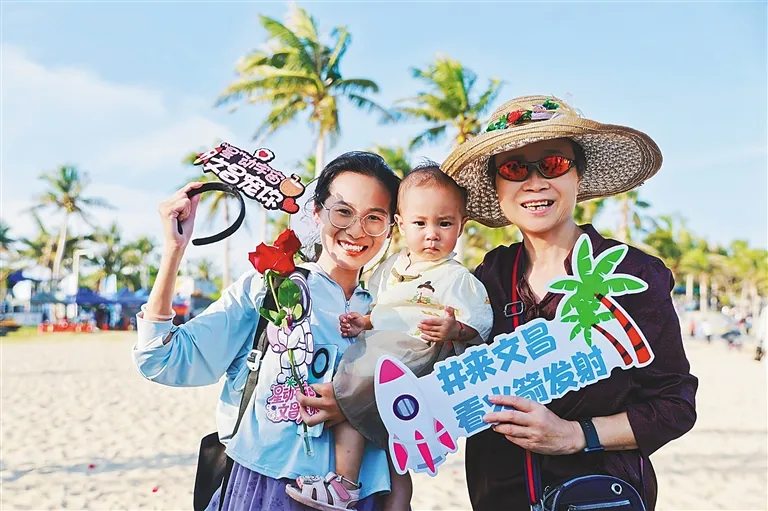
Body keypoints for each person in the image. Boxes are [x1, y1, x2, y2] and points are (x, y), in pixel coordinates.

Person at [441, 95, 698, 510]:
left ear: (578, 175)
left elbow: (675, 406)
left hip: (599, 497)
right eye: (514, 168)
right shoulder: (487, 277)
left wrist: (576, 435)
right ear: (497, 186)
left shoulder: (633, 274)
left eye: (554, 164)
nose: (535, 182)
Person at [132, 152, 402, 511]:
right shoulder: (270, 286)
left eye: (374, 218)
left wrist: (355, 406)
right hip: (265, 487)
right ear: (317, 212)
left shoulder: (393, 307)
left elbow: (413, 406)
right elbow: (160, 358)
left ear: (391, 227)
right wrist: (173, 250)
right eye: (343, 212)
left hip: (362, 495)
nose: (356, 230)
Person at [288, 165, 493, 511]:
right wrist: (365, 322)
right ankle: (394, 500)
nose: (432, 234)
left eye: (444, 224)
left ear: (461, 226)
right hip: (386, 350)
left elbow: (481, 322)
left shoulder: (457, 278)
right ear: (400, 224)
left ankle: (345, 483)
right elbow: (384, 308)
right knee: (392, 440)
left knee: (350, 396)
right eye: (420, 223)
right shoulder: (391, 268)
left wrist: (455, 330)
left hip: (417, 355)